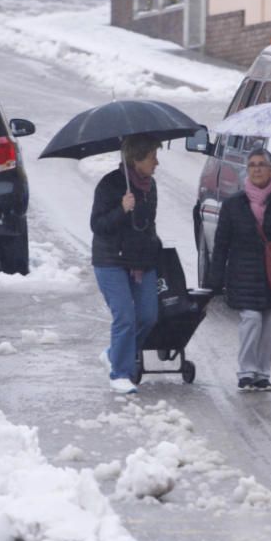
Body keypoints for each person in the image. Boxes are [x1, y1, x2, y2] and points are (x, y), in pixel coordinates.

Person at [207, 145, 271, 392]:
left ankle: (263, 374)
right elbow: (221, 244)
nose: (257, 169)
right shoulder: (233, 204)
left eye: (262, 165)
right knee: (251, 320)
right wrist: (214, 280)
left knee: (270, 325)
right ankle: (246, 371)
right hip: (244, 274)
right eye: (252, 165)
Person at [91, 134, 163, 394]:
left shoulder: (149, 186)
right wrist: (121, 209)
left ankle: (113, 352)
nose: (157, 163)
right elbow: (97, 225)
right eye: (152, 156)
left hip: (141, 259)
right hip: (110, 259)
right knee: (125, 317)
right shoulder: (110, 185)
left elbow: (147, 226)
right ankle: (120, 373)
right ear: (136, 159)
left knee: (147, 316)